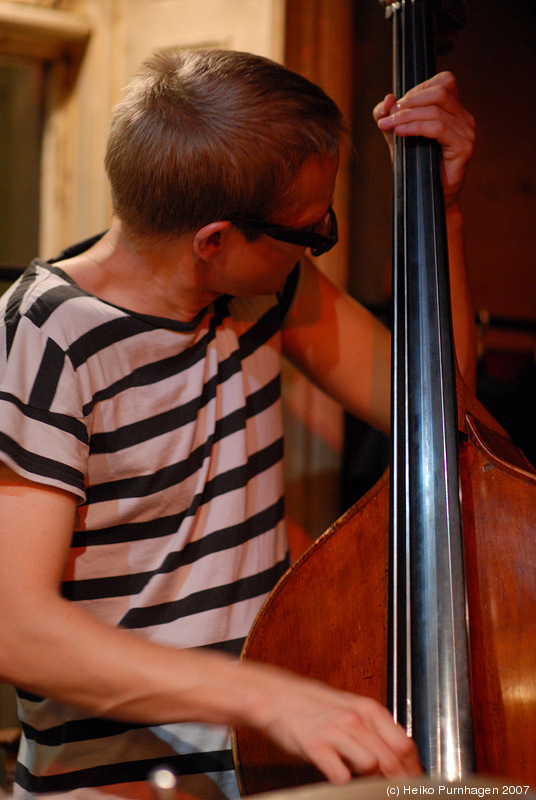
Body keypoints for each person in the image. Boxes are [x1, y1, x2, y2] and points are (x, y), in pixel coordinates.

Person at [0, 48, 476, 800]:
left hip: (257, 774)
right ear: (215, 241)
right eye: (312, 232)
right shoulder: (45, 337)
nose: (321, 241)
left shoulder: (263, 294)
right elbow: (15, 628)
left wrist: (437, 208)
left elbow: (436, 408)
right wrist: (272, 698)